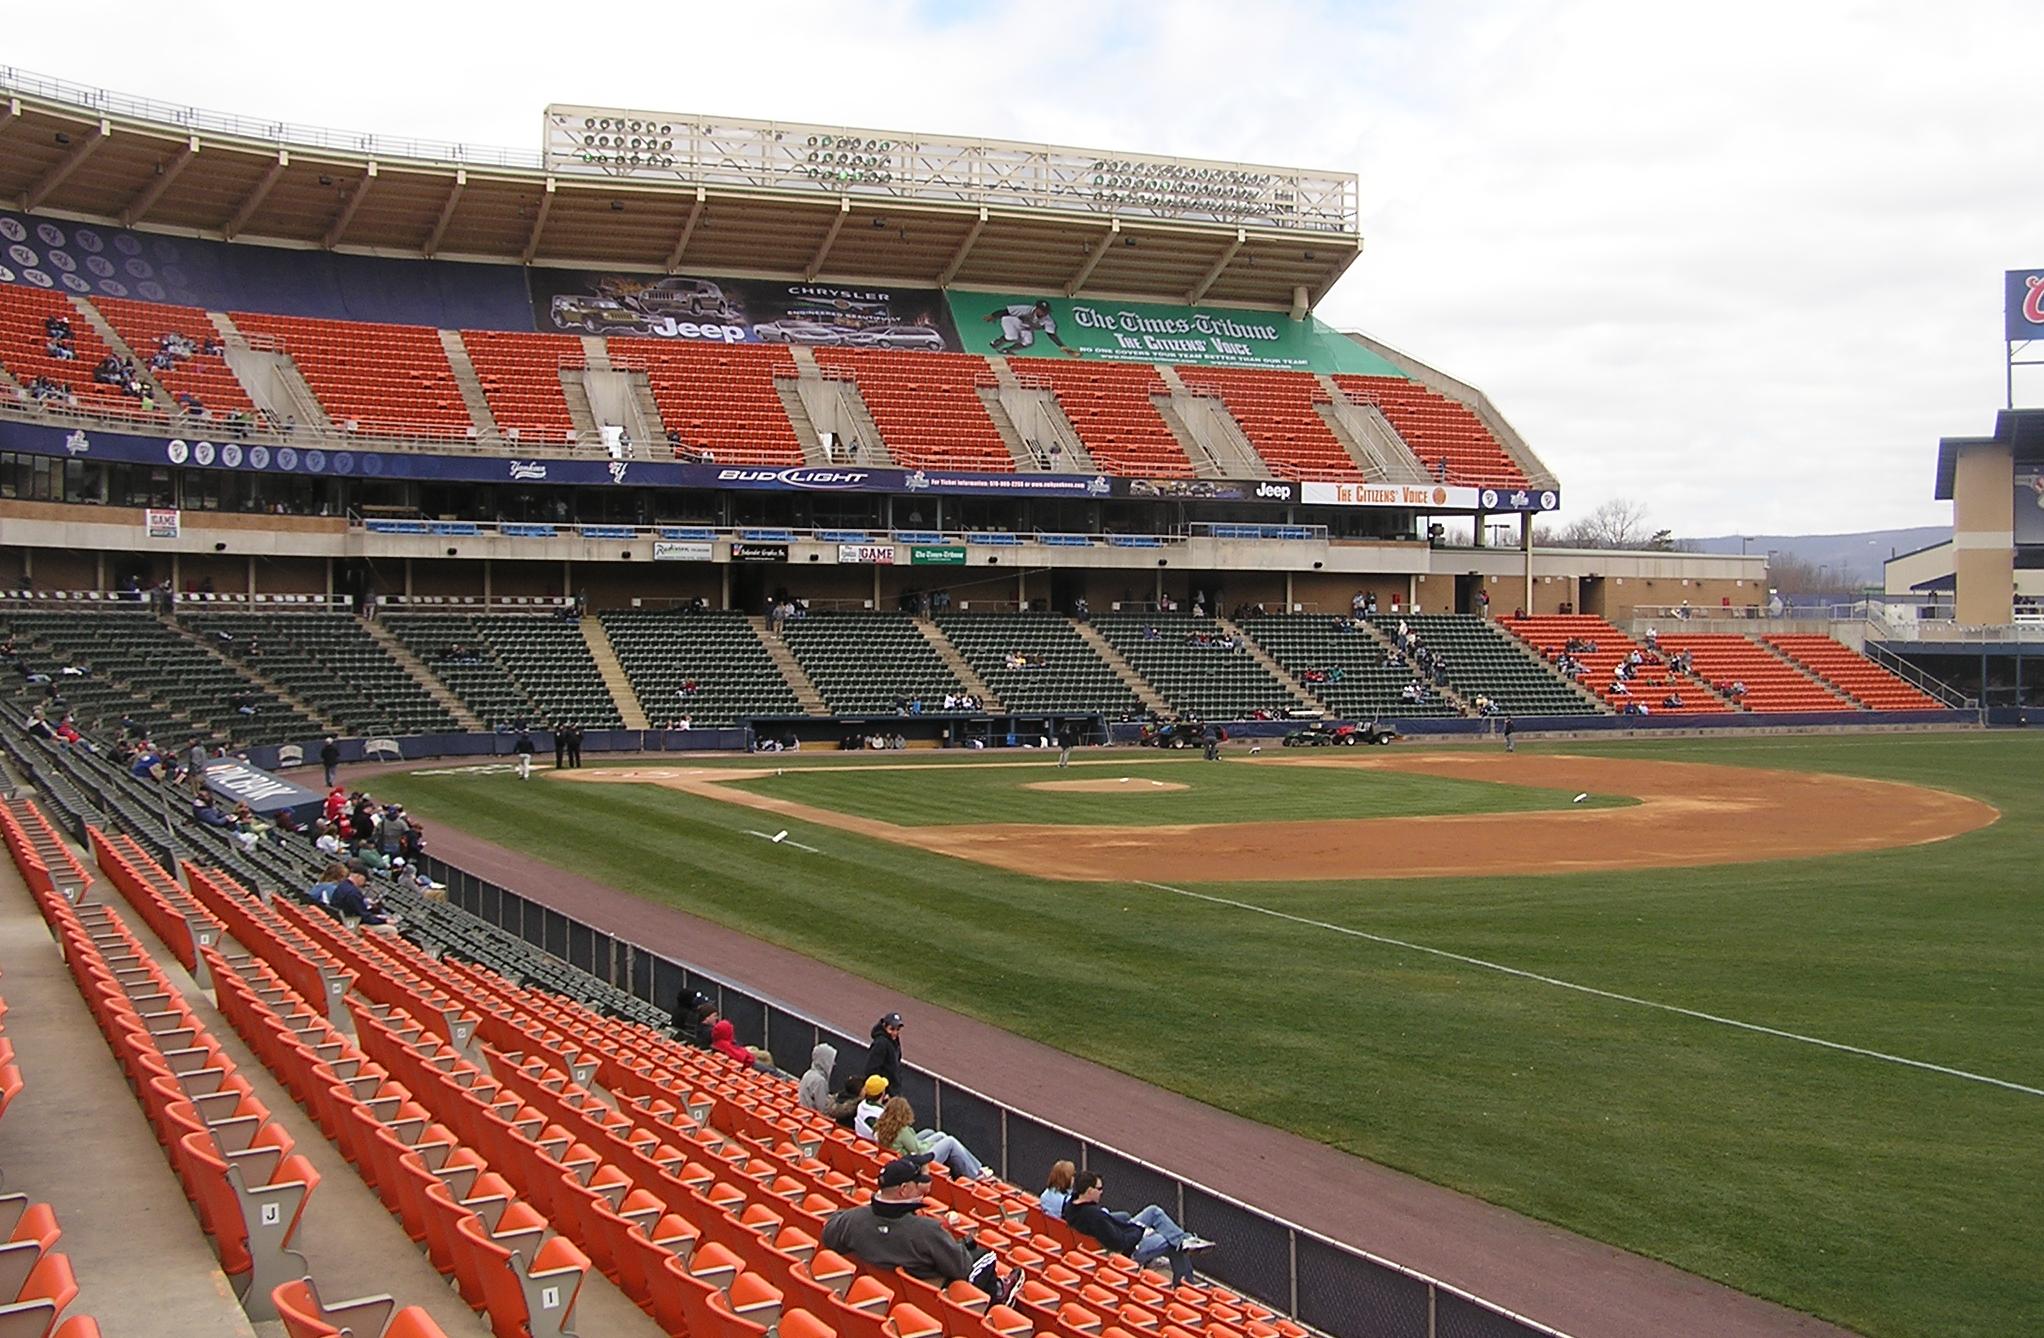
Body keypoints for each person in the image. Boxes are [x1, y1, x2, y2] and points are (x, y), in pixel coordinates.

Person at [820, 1157, 1024, 1303]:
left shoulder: (853, 1219)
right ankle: (997, 1293)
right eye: (918, 1184)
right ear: (904, 1190)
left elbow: (828, 1235)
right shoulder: (926, 1231)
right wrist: (960, 1245)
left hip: (882, 1293)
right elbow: (961, 1268)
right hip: (928, 1294)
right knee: (986, 1255)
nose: (922, 1187)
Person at [1061, 1170, 1213, 1285]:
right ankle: (1186, 1284)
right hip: (1129, 1250)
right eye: (1099, 1189)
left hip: (1118, 1237)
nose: (1102, 1192)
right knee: (1171, 1242)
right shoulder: (1094, 1216)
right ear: (1089, 1191)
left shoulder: (1071, 1205)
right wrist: (1139, 1230)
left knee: (1153, 1211)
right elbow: (1120, 1244)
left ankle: (1184, 1240)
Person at [871, 1096, 995, 1180]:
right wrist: (931, 1145)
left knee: (939, 1135)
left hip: (903, 1160)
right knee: (950, 1141)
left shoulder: (882, 1126)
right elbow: (919, 1151)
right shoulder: (902, 1130)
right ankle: (975, 1173)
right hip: (916, 1164)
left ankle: (976, 1167)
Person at [984, 298, 1077, 357]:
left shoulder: (1048, 321)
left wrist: (1061, 346)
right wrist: (993, 316)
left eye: (1046, 311)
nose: (1044, 312)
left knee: (1028, 342)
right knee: (1012, 337)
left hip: (1026, 327)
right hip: (1012, 321)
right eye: (1042, 310)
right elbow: (1006, 311)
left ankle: (1007, 350)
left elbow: (1051, 334)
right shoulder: (1026, 309)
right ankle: (997, 342)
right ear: (1036, 308)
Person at [709, 1018, 775, 1072]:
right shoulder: (724, 1045)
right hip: (749, 1065)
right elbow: (740, 1058)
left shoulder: (718, 1042)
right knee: (772, 1070)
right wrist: (745, 1052)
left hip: (748, 1061)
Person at [864, 1011, 904, 1092]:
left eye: (898, 1029)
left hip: (892, 1089)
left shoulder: (894, 1042)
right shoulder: (881, 1043)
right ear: (884, 1026)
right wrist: (881, 1090)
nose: (895, 1033)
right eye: (892, 1029)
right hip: (883, 1092)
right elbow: (871, 1069)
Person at [853, 1075, 891, 1139]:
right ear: (882, 1093)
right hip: (871, 1145)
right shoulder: (879, 1114)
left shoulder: (861, 1105)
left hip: (860, 1142)